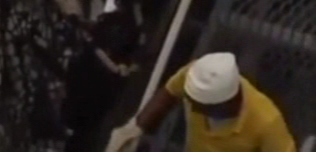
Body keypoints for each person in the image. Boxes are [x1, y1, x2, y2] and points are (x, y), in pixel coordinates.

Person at [106, 52, 296, 152]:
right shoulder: (195, 74)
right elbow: (170, 93)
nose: (192, 107)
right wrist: (134, 129)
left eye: (199, 105)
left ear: (225, 104)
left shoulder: (267, 121)